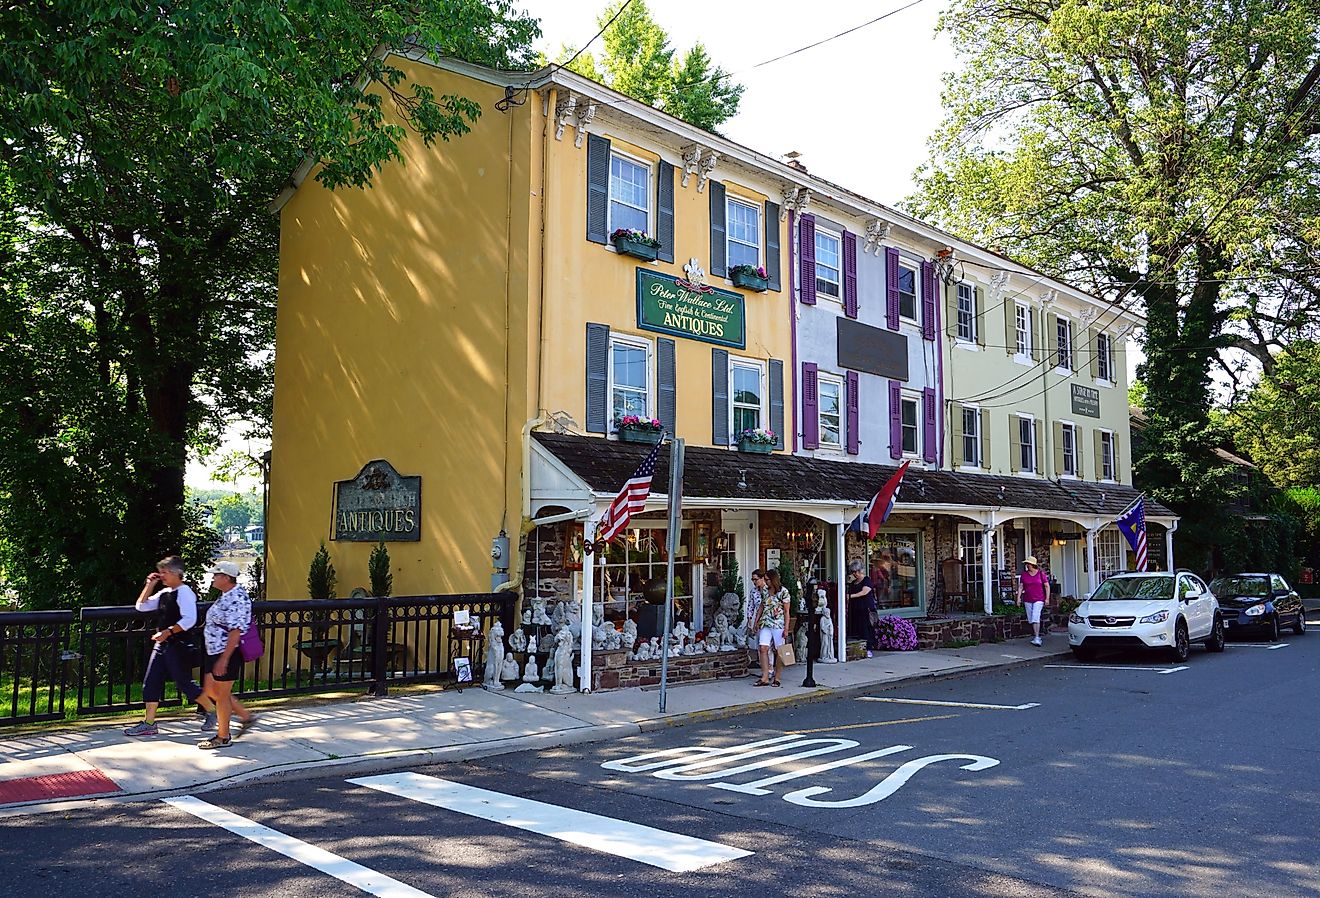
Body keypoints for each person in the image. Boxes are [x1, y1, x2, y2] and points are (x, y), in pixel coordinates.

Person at [124, 556, 218, 737]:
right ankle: (149, 723)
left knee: (184, 682)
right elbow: (141, 606)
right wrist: (149, 585)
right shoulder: (164, 593)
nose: (162, 576)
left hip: (178, 644)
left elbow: (190, 619)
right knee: (151, 681)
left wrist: (167, 632)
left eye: (165, 572)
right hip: (163, 644)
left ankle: (211, 710)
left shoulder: (184, 592)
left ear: (176, 573)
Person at [197, 561, 255, 749]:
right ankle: (245, 717)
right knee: (212, 691)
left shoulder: (237, 598)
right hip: (215, 650)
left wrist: (224, 659)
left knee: (221, 695)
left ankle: (222, 737)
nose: (213, 578)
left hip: (225, 652)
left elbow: (235, 632)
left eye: (216, 575)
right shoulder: (227, 595)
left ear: (226, 578)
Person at [752, 569, 793, 687]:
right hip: (765, 622)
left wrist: (786, 628)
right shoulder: (764, 590)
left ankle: (777, 677)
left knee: (779, 651)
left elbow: (786, 611)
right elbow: (761, 606)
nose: (765, 581)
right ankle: (765, 676)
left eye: (767, 579)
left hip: (778, 624)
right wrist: (756, 621)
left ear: (773, 579)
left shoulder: (783, 592)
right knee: (763, 648)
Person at [846, 560, 878, 657]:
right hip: (855, 609)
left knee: (866, 629)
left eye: (856, 571)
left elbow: (864, 592)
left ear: (860, 571)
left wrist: (850, 596)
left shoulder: (866, 580)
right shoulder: (853, 583)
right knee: (857, 629)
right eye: (853, 572)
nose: (854, 574)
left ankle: (869, 649)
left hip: (866, 609)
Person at [1017, 555, 1050, 646]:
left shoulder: (1040, 574)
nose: (1027, 565)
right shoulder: (1024, 575)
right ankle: (1036, 635)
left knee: (1035, 616)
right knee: (1031, 618)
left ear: (1033, 564)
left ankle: (1037, 637)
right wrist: (1018, 598)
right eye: (1027, 564)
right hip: (1028, 599)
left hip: (1039, 598)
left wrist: (1047, 598)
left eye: (1028, 564)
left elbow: (1047, 586)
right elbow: (1021, 587)